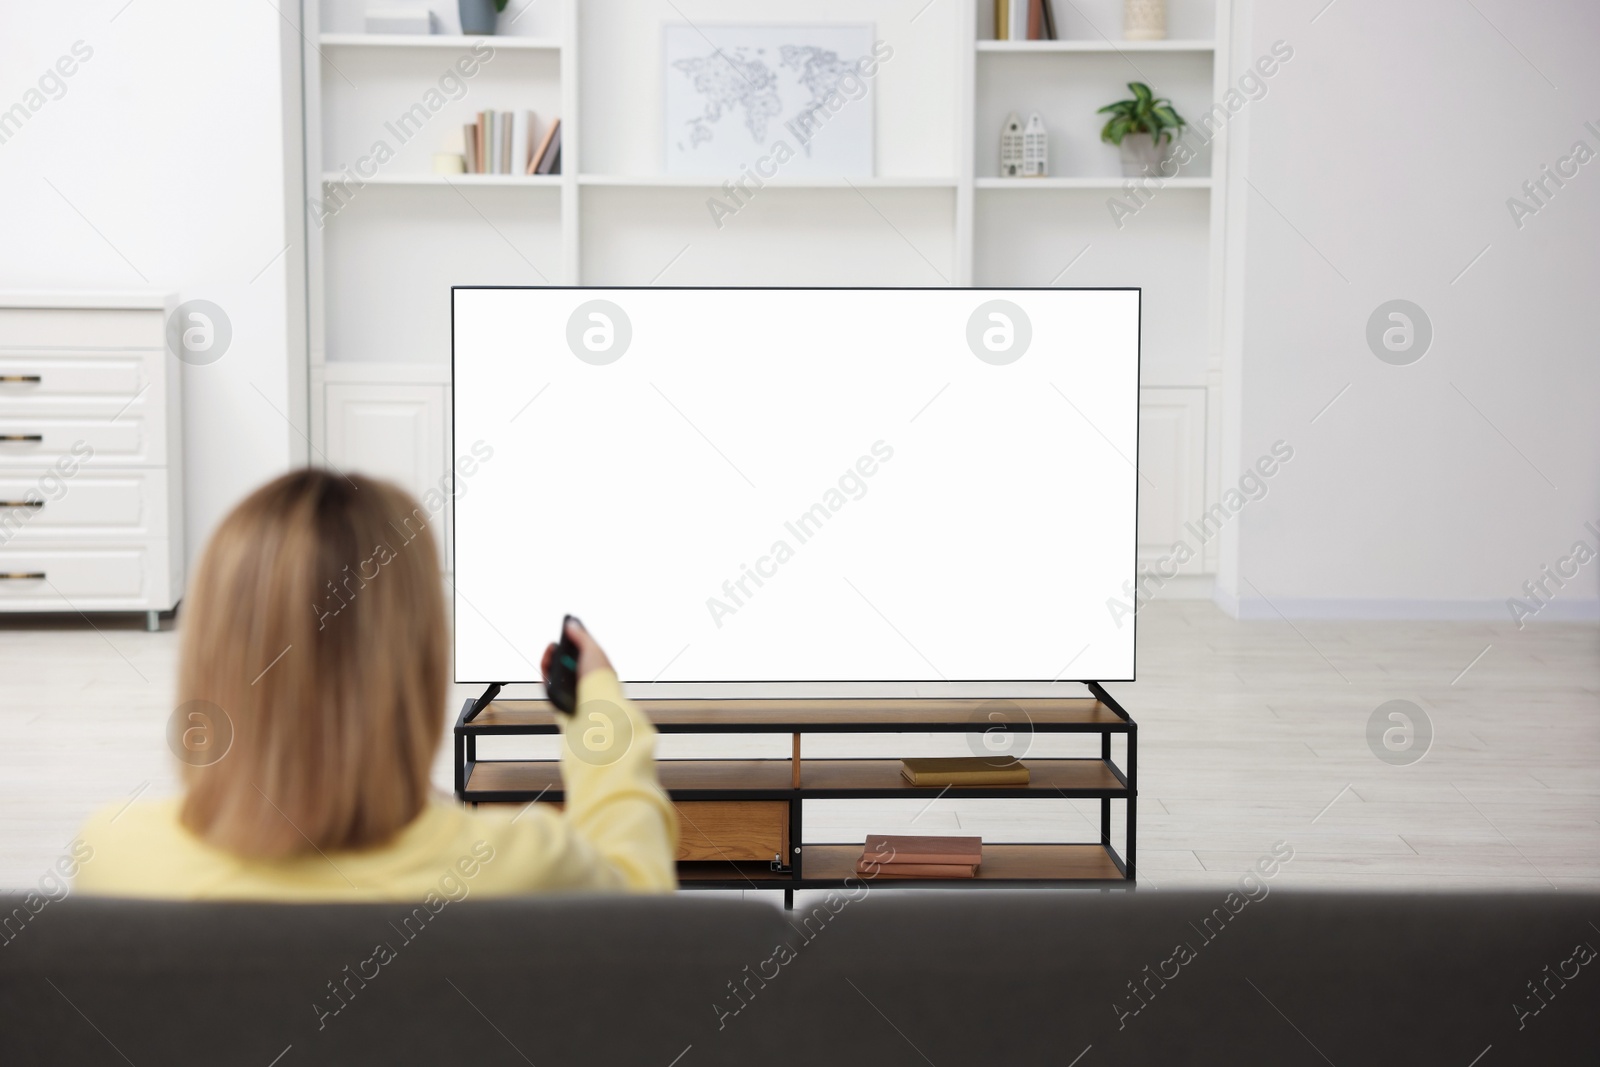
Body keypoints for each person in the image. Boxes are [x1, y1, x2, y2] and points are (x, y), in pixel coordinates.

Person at [75, 469, 677, 900]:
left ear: (210, 657)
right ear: (419, 665)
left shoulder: (115, 858)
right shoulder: (523, 869)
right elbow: (639, 896)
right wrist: (597, 705)